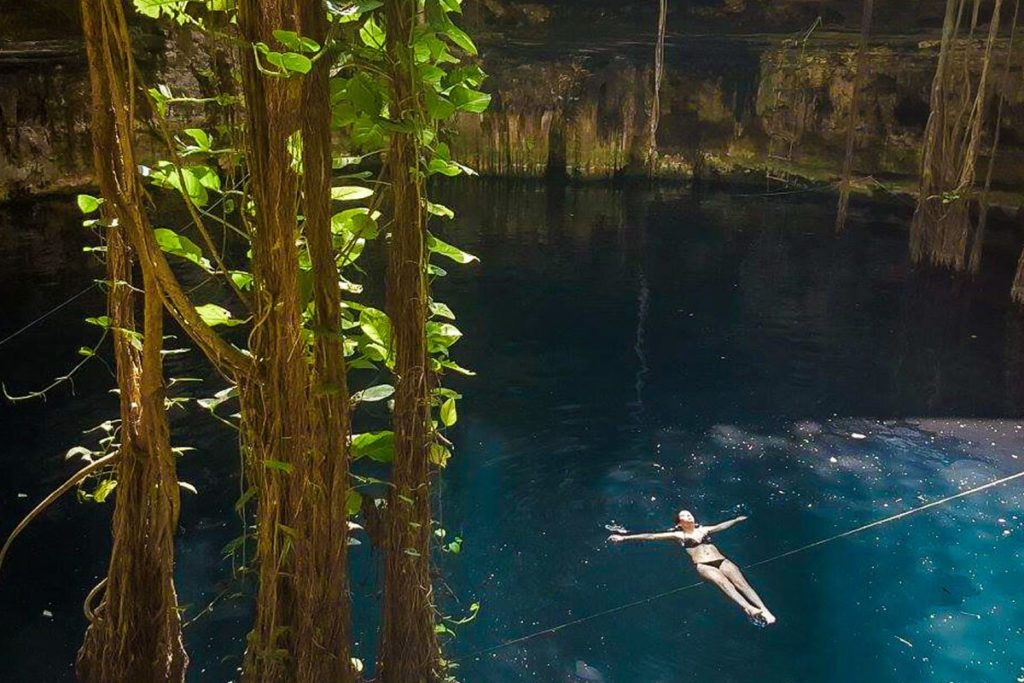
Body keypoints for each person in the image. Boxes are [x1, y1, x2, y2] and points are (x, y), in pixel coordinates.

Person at [608, 510, 776, 625]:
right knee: (725, 584)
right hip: (703, 565)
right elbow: (651, 536)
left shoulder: (705, 530)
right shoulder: (678, 535)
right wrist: (624, 538)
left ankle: (765, 611)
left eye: (689, 514)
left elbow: (721, 526)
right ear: (680, 523)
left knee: (743, 584)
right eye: (684, 515)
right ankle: (749, 608)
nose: (689, 516)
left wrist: (736, 520)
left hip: (721, 560)